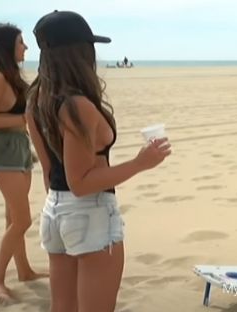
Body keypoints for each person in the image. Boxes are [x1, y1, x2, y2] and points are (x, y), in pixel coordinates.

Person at [27, 10, 171, 311]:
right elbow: (80, 183)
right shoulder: (77, 105)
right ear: (79, 52)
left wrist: (62, 209)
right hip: (88, 213)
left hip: (54, 210)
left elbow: (51, 170)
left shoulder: (37, 98)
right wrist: (140, 163)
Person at [0, 22, 47, 304]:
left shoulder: (11, 74)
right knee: (22, 219)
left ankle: (25, 271)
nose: (26, 47)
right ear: (8, 46)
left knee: (12, 217)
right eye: (21, 42)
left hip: (19, 148)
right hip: (2, 151)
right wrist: (23, 120)